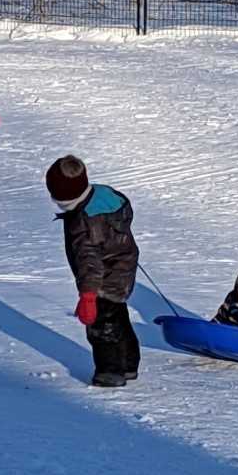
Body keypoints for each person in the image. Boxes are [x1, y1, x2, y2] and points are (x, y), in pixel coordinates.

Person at [45, 154, 141, 388]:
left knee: (102, 326)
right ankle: (128, 363)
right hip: (124, 265)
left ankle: (110, 372)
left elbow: (89, 263)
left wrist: (88, 295)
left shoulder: (84, 224)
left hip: (103, 277)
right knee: (117, 316)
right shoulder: (105, 195)